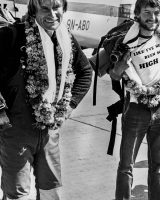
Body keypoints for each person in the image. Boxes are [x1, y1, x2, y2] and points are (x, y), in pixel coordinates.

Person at [0, 0, 92, 199]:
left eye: (56, 7)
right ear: (34, 10)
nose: (52, 14)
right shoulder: (12, 36)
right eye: (45, 8)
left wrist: (70, 105)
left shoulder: (65, 39)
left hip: (50, 131)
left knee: (51, 192)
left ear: (63, 9)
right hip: (16, 131)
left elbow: (85, 71)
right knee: (18, 194)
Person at [101, 0, 160, 199]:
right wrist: (120, 66)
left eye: (156, 12)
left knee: (158, 166)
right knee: (126, 167)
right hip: (136, 110)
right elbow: (114, 74)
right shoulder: (126, 40)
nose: (152, 17)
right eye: (147, 12)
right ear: (137, 13)